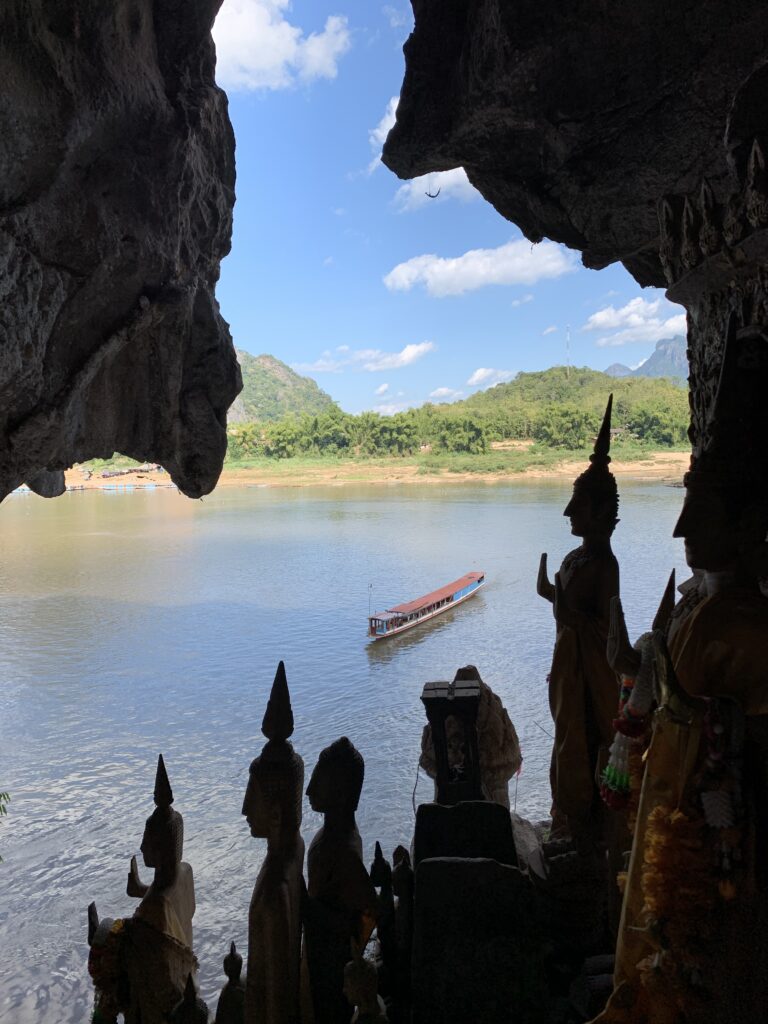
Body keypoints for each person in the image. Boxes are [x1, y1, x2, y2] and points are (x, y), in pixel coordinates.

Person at [537, 396, 620, 845]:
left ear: (602, 513)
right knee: (567, 740)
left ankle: (588, 828)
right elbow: (569, 611)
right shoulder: (576, 556)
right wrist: (551, 594)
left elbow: (603, 629)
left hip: (592, 681)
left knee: (588, 744)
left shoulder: (605, 564)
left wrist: (561, 608)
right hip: (569, 674)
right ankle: (569, 821)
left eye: (579, 506)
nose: (569, 513)